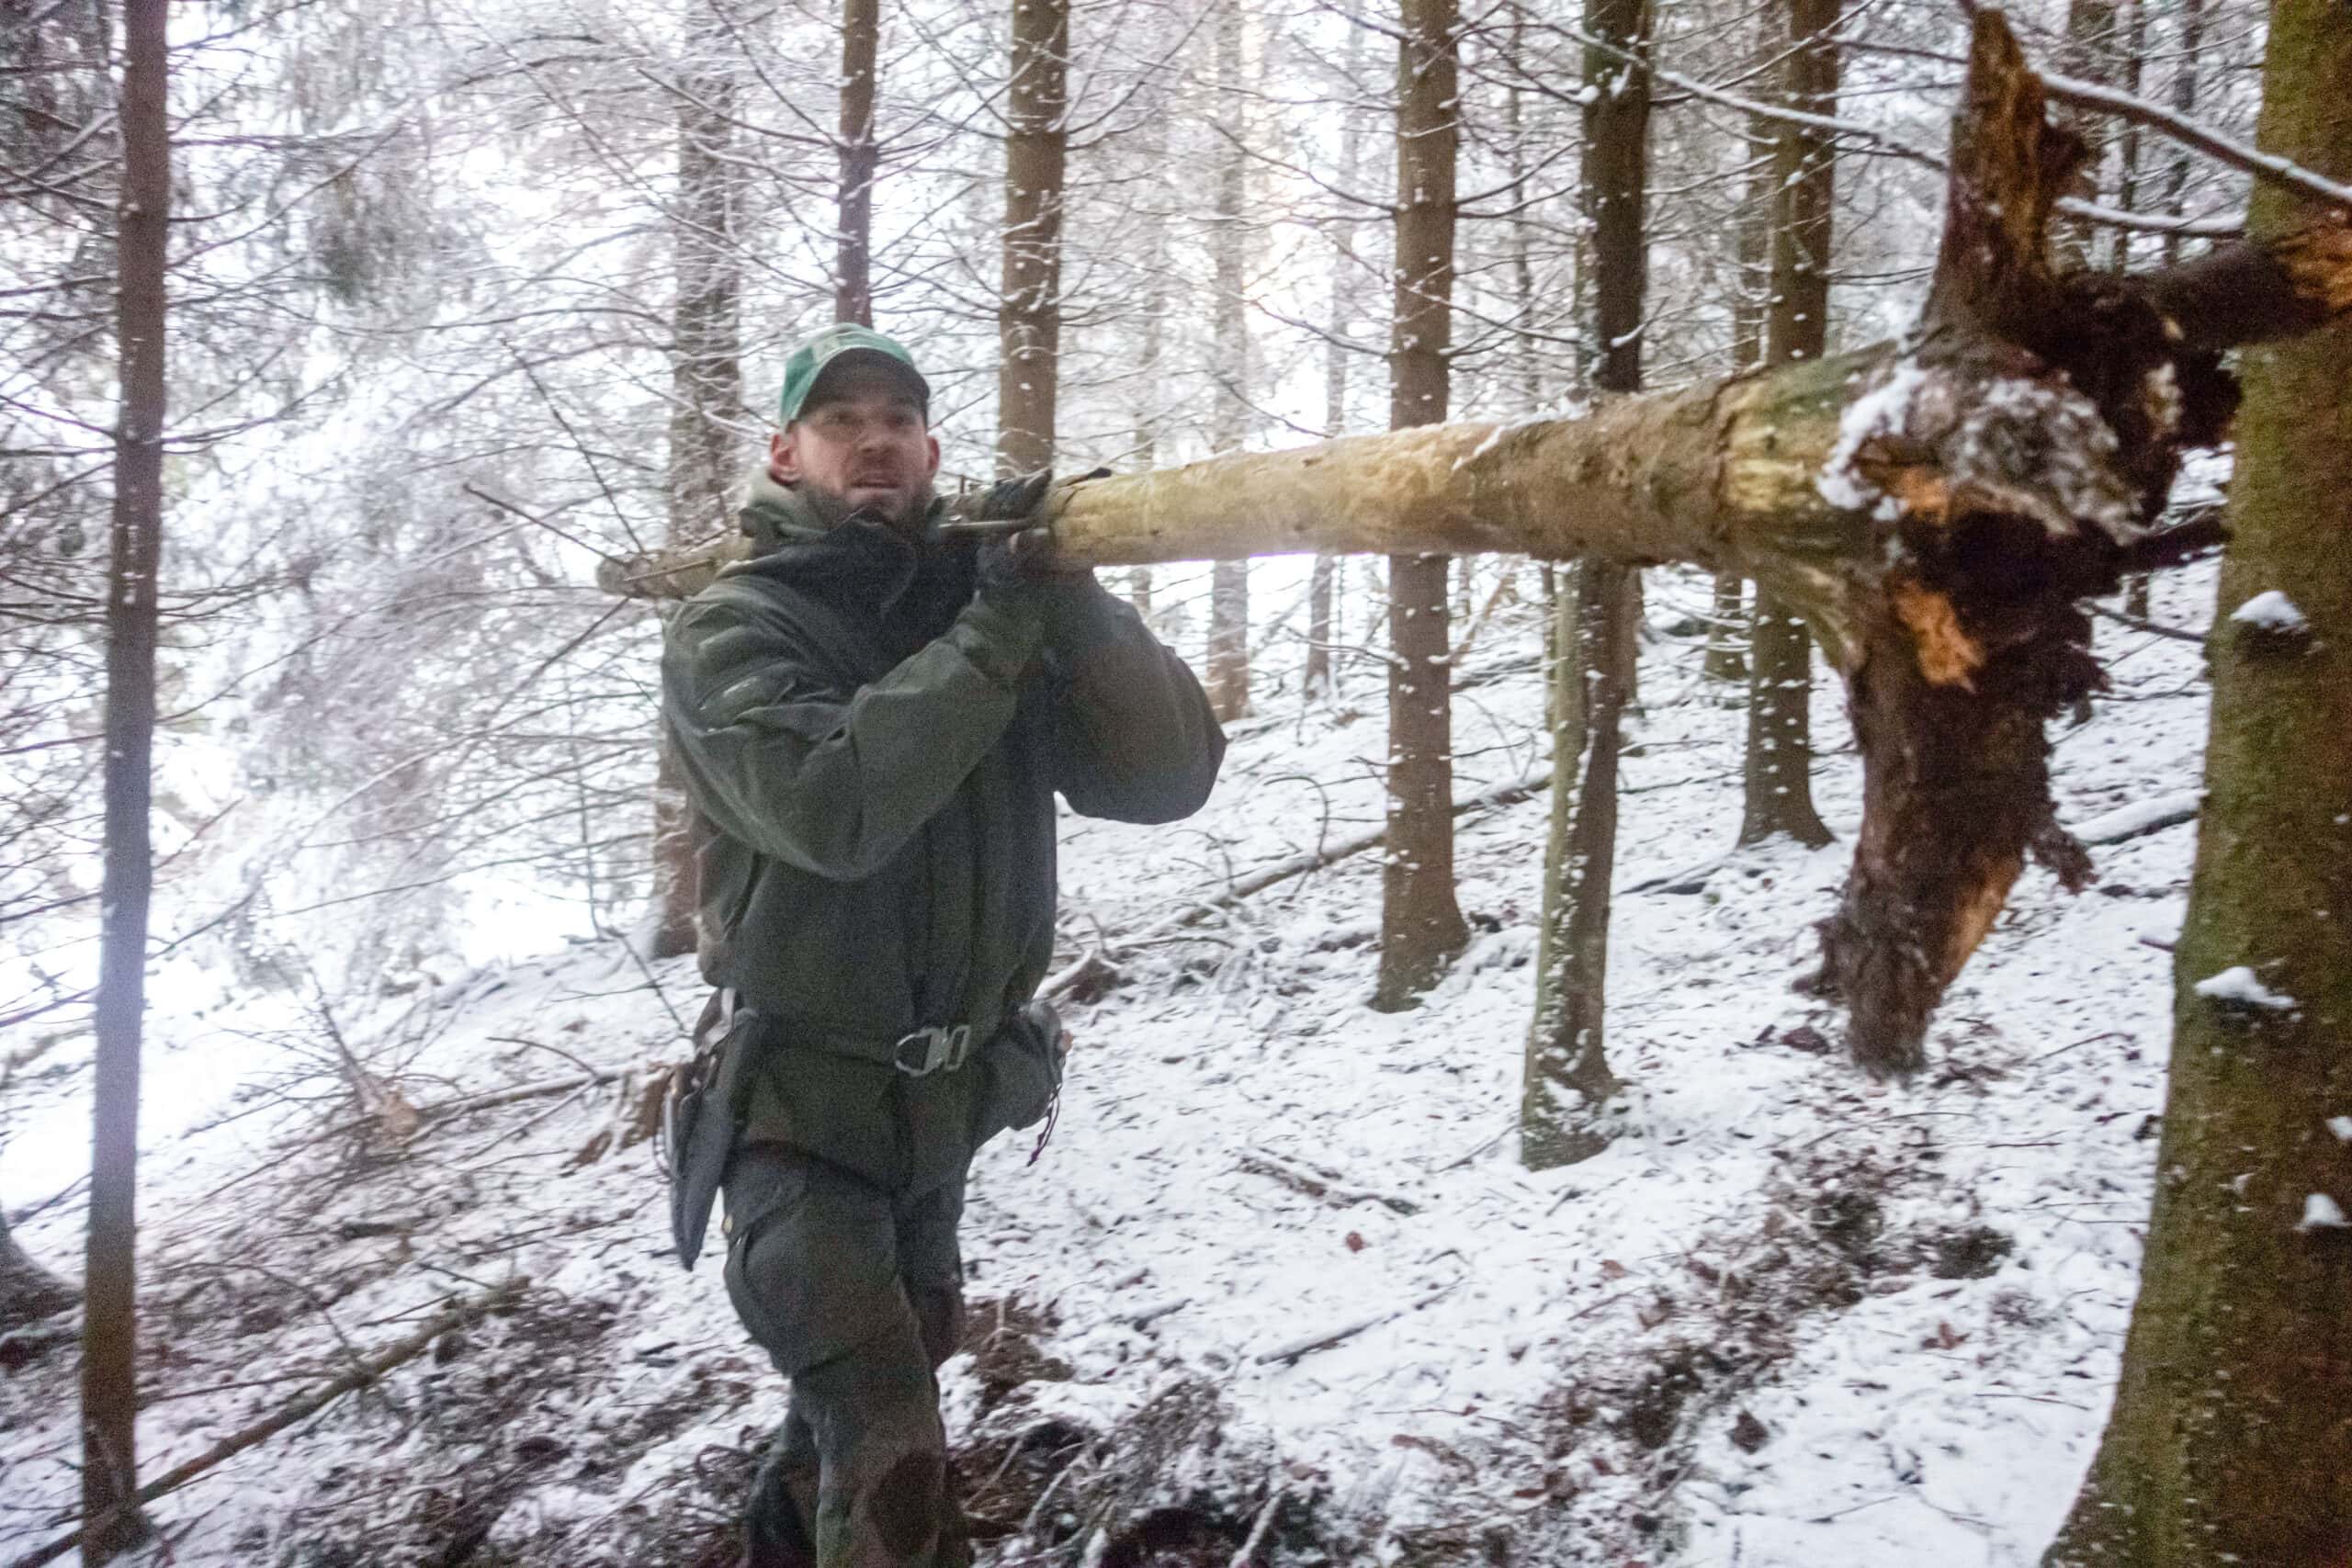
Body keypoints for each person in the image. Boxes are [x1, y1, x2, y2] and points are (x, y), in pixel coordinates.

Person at [659, 323, 1226, 1568]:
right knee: (893, 1451)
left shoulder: (987, 606)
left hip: (934, 1114)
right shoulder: (733, 629)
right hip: (796, 1113)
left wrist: (1069, 599)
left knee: (860, 1403)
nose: (873, 436)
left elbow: (1167, 779)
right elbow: (832, 807)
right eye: (840, 418)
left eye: (897, 418)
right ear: (787, 454)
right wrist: (995, 632)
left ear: (928, 449)